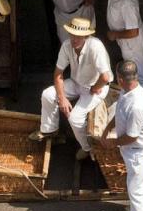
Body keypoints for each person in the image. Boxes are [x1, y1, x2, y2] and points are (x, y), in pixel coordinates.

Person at [29, 16, 112, 161]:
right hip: (76, 82)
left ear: (86, 36)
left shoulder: (95, 46)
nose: (75, 39)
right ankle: (50, 131)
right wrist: (62, 98)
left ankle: (88, 148)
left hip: (96, 87)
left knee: (75, 118)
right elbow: (57, 74)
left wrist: (95, 87)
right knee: (48, 94)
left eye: (79, 36)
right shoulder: (67, 45)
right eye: (73, 35)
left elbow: (105, 77)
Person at [99, 60, 143, 211]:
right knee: (142, 180)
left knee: (135, 189)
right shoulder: (128, 91)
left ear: (122, 79)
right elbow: (120, 112)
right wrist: (108, 128)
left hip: (137, 151)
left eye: (118, 78)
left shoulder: (138, 105)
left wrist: (111, 143)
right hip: (133, 150)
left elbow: (131, 137)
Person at [104, 0, 143, 89]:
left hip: (131, 43)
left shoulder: (127, 2)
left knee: (138, 72)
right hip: (126, 41)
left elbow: (134, 32)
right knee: (134, 69)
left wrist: (114, 35)